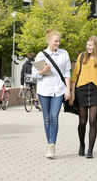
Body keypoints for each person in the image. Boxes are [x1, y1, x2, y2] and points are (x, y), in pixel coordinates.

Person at [32, 29, 71, 159]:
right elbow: (34, 74)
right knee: (47, 118)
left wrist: (68, 89)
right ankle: (49, 143)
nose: (58, 43)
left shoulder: (64, 54)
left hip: (59, 90)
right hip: (44, 90)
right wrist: (44, 70)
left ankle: (52, 145)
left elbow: (67, 73)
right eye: (55, 41)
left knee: (54, 115)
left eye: (59, 41)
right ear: (49, 41)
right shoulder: (40, 55)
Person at [70, 35, 97, 159]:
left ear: (96, 46)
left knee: (93, 121)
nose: (88, 47)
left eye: (90, 45)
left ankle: (90, 150)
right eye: (87, 45)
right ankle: (82, 144)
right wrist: (72, 93)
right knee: (82, 122)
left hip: (95, 91)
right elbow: (74, 76)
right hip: (81, 90)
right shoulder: (82, 57)